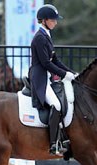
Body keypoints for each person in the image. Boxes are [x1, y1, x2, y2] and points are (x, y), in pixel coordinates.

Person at [29, 4, 75, 155]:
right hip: (40, 78)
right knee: (56, 105)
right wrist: (63, 75)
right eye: (53, 20)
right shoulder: (39, 38)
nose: (56, 22)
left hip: (47, 76)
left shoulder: (47, 36)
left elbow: (55, 60)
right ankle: (53, 143)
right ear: (44, 21)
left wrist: (70, 73)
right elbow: (46, 63)